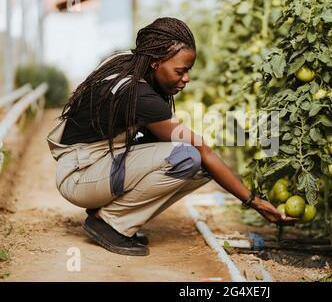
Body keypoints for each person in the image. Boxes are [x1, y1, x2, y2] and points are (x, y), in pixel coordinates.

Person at [47, 17, 297, 256]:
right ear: (156, 63)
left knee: (200, 166)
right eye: (181, 71)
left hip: (91, 166)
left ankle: (109, 212)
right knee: (188, 156)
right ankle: (110, 223)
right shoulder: (139, 95)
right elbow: (202, 149)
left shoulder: (129, 64)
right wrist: (255, 202)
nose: (186, 78)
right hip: (80, 176)